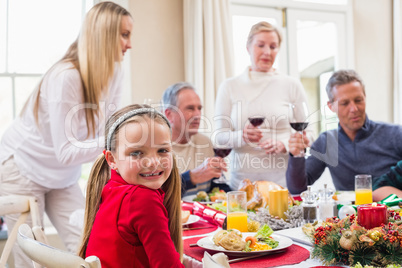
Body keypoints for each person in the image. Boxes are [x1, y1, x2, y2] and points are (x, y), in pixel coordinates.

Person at [0, 2, 132, 266]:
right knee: (31, 256)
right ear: (103, 36)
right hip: (22, 167)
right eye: (124, 35)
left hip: (62, 176)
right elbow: (66, 152)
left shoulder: (115, 72)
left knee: (90, 245)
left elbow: (109, 129)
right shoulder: (66, 77)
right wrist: (118, 141)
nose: (129, 44)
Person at [78, 104, 184, 267]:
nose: (153, 162)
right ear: (112, 160)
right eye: (136, 153)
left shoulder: (112, 187)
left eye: (162, 150)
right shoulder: (142, 199)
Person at [214, 21, 313, 191]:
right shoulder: (230, 86)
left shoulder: (291, 84)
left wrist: (285, 144)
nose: (267, 52)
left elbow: (310, 134)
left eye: (273, 47)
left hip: (283, 183)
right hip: (242, 184)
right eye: (261, 45)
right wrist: (241, 136)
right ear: (248, 47)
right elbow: (218, 137)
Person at [286, 69, 402, 194]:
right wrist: (296, 155)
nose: (354, 108)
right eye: (344, 103)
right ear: (331, 106)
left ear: (365, 98)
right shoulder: (327, 141)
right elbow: (297, 188)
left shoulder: (395, 134)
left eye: (358, 100)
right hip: (347, 212)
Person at [162, 82, 229, 196]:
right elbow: (158, 192)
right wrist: (191, 178)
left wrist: (239, 198)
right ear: (169, 114)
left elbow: (218, 187)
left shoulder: (205, 142)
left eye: (199, 108)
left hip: (202, 212)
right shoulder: (157, 149)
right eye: (190, 108)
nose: (197, 115)